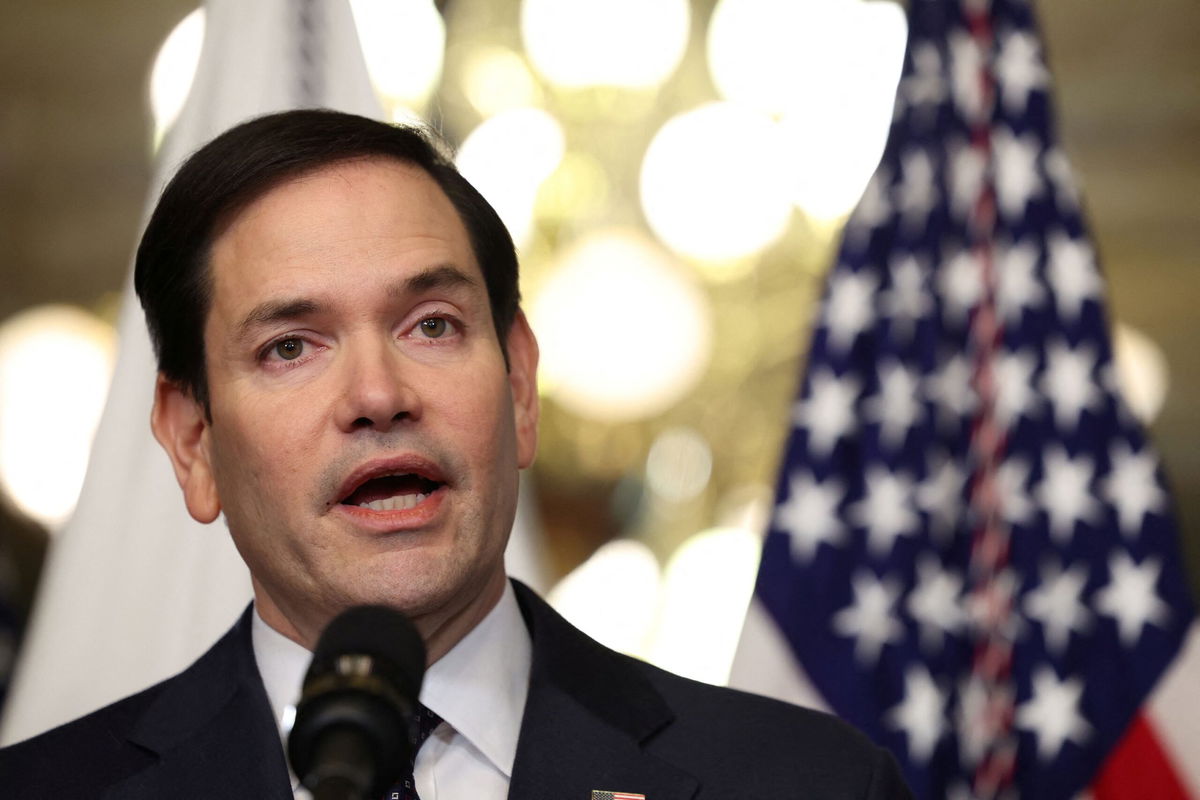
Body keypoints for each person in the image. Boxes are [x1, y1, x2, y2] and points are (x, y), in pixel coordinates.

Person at [0, 109, 913, 799]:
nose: (377, 396)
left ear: (519, 386)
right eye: (290, 347)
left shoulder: (807, 782)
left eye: (431, 325)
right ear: (194, 442)